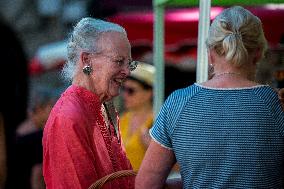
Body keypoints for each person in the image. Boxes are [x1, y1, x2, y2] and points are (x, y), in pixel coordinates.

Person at [135, 6, 284, 189]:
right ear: (259, 53)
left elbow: (146, 185)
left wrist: (192, 182)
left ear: (210, 54)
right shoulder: (276, 104)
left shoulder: (179, 102)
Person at [43, 17, 137, 189]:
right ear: (86, 60)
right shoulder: (69, 116)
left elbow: (127, 181)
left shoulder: (104, 107)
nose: (126, 72)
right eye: (119, 61)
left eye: (129, 64)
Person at [120, 63, 155, 171]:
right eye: (123, 89)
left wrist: (153, 148)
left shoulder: (157, 121)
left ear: (149, 93)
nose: (124, 95)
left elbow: (179, 166)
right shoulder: (123, 118)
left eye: (131, 91)